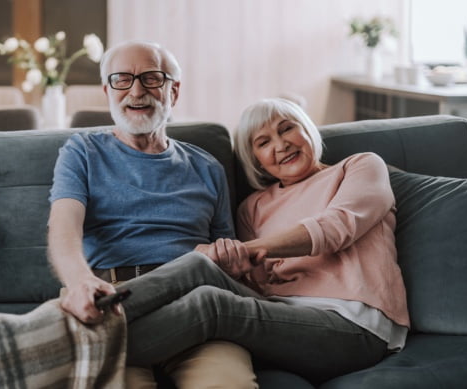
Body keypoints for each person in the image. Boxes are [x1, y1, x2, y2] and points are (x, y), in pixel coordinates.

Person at [117, 97, 411, 384]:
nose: (281, 145)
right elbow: (253, 284)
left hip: (353, 326)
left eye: (286, 129)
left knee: (211, 304)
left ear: (308, 128)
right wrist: (227, 260)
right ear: (255, 160)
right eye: (263, 142)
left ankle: (86, 348)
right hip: (280, 317)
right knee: (200, 264)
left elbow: (337, 228)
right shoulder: (253, 207)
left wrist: (251, 249)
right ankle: (92, 313)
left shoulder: (359, 167)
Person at [47, 40, 257, 388]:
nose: (136, 91)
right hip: (115, 298)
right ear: (106, 91)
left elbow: (226, 249)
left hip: (196, 302)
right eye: (122, 79)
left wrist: (234, 267)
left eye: (152, 78)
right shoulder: (81, 152)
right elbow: (63, 228)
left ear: (174, 91)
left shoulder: (207, 167)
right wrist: (79, 280)